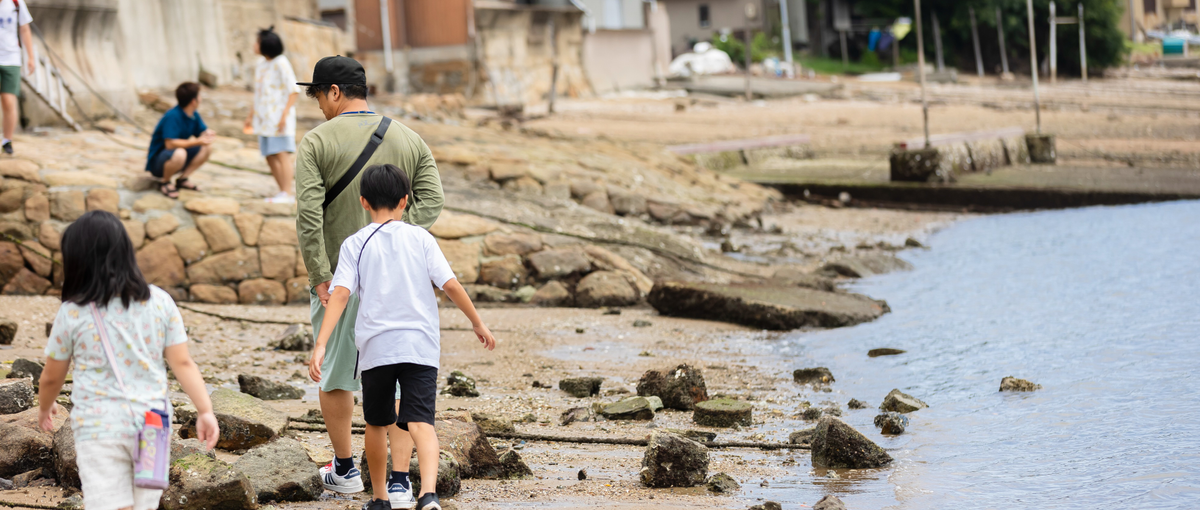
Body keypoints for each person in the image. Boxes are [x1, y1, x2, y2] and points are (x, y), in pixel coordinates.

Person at [294, 55, 444, 504]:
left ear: (335, 92)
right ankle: (399, 480)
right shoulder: (409, 138)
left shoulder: (316, 141)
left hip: (341, 280)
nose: (319, 105)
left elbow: (307, 216)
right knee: (398, 378)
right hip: (398, 284)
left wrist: (321, 274)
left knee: (337, 376)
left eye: (319, 94)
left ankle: (344, 469)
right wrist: (396, 232)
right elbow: (433, 200)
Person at [310, 164, 496, 510]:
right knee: (421, 422)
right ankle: (427, 495)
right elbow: (450, 285)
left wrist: (321, 343)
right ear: (405, 201)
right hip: (420, 348)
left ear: (363, 202)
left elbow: (340, 294)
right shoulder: (422, 238)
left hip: (377, 349)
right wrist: (477, 322)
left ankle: (380, 498)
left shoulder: (355, 244)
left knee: (376, 423)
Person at [36, 210, 220, 510]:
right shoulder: (159, 301)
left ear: (76, 261)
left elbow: (52, 376)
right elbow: (183, 363)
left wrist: (45, 407)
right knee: (143, 504)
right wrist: (205, 411)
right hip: (152, 422)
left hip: (100, 425)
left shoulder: (73, 311)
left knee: (109, 503)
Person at [244, 26, 300, 203]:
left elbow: (293, 90)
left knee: (282, 154)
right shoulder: (260, 65)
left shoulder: (281, 63)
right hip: (263, 120)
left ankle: (287, 193)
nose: (254, 45)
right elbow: (259, 94)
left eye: (257, 42)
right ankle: (281, 191)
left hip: (278, 120)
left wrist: (284, 115)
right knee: (269, 155)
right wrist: (250, 115)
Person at [145, 82, 215, 198]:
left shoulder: (193, 114)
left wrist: (208, 133)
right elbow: (170, 144)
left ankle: (183, 179)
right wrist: (198, 141)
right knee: (180, 152)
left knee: (207, 147)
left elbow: (201, 131)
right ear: (193, 101)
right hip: (160, 162)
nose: (200, 99)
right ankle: (165, 181)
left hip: (178, 158)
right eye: (199, 96)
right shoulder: (172, 116)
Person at [0, 0, 35, 155]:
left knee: (8, 101)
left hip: (11, 59)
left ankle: (7, 140)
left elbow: (25, 29)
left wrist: (31, 57)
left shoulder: (16, 3)